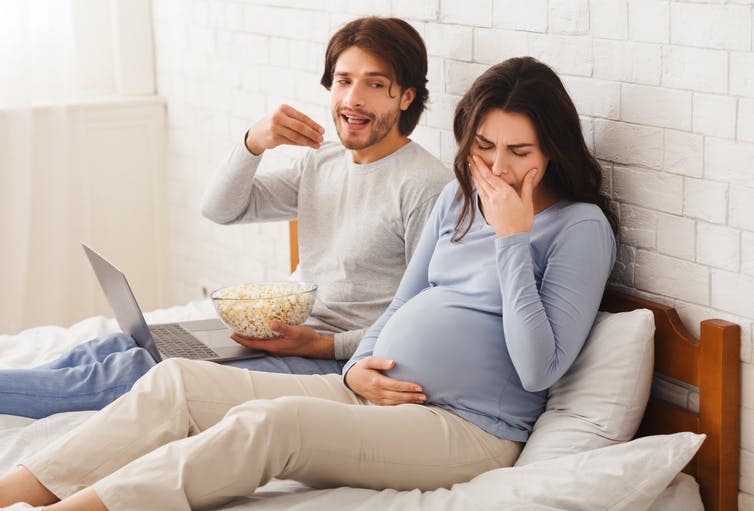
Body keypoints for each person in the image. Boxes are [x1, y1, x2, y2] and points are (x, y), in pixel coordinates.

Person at [0, 56, 618, 511]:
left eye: (519, 151)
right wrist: (353, 371)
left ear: (553, 149)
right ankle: (14, 492)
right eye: (483, 147)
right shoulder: (459, 198)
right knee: (176, 381)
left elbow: (540, 370)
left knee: (274, 424)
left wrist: (512, 239)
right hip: (370, 392)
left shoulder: (578, 228)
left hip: (470, 428)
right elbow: (402, 306)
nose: (498, 168)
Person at [0, 16, 451, 419]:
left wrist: (323, 345)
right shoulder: (322, 162)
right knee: (117, 345)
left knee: (137, 369)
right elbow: (221, 208)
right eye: (342, 80)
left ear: (406, 97)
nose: (352, 99)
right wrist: (253, 142)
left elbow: (425, 316)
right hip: (287, 332)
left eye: (374, 84)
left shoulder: (424, 186)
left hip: (335, 357)